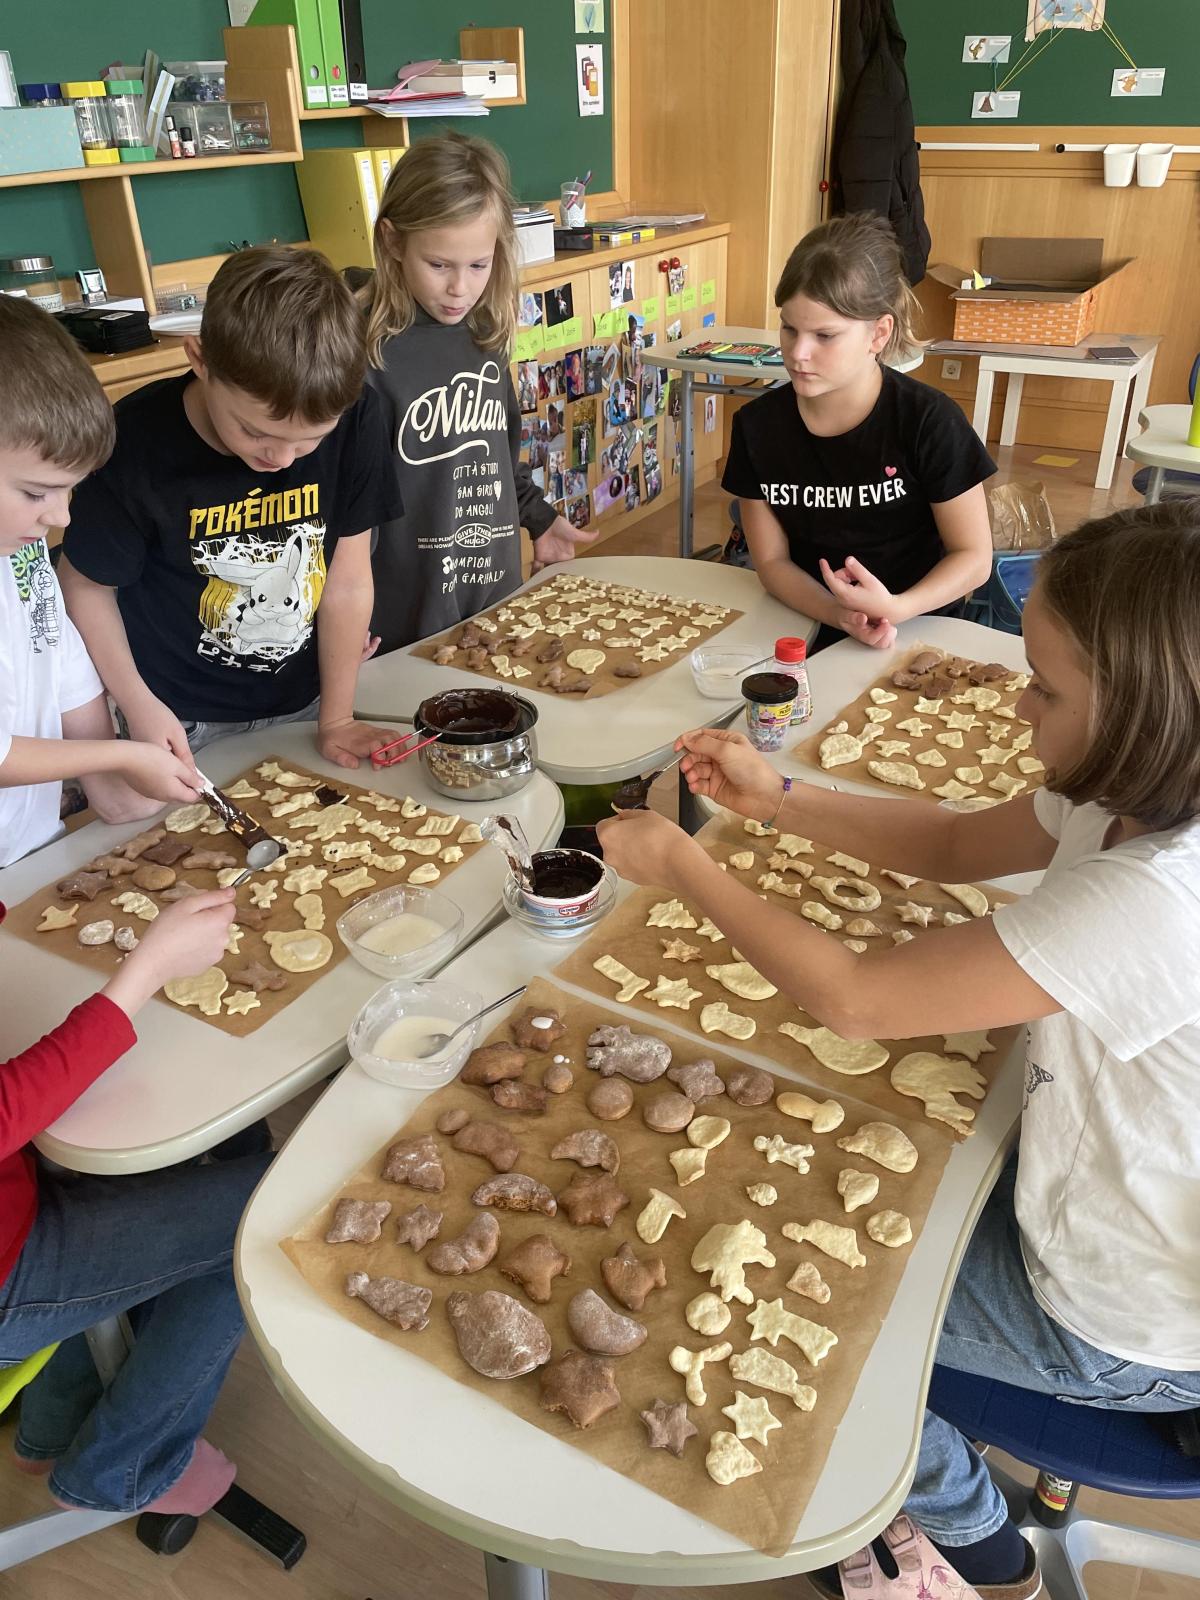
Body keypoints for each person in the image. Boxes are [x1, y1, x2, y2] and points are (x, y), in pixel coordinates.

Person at [598, 503, 1200, 1599]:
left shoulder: (1158, 896)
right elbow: (957, 842)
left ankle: (972, 1541)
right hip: (1091, 1190)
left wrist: (686, 865)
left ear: (1143, 713)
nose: (1018, 703)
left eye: (1045, 689)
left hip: (1116, 1320)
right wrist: (778, 797)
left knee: (775, 1292)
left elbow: (858, 1001)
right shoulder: (1130, 786)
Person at [57, 246, 403, 768]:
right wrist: (137, 704)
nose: (280, 458)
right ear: (200, 360)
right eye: (255, 431)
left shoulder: (358, 417)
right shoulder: (132, 442)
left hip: (309, 698)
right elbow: (85, 587)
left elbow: (348, 580)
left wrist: (337, 718)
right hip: (177, 714)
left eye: (310, 440)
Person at [363, 131, 598, 651]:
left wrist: (539, 518)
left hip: (490, 597)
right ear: (393, 242)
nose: (460, 288)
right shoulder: (364, 350)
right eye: (439, 265)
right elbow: (349, 502)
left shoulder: (484, 332)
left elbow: (497, 452)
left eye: (478, 265)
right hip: (400, 618)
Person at [722, 213, 994, 652]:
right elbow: (771, 562)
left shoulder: (929, 420)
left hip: (918, 630)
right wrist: (839, 615)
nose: (798, 353)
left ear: (878, 334)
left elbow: (974, 558)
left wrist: (897, 607)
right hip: (805, 621)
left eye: (825, 335)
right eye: (789, 328)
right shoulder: (757, 426)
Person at [0, 296, 203, 868]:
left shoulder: (18, 539)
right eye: (37, 492)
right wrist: (119, 759)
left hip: (28, 844)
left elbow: (57, 650)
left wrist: (104, 771)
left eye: (72, 490)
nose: (62, 516)